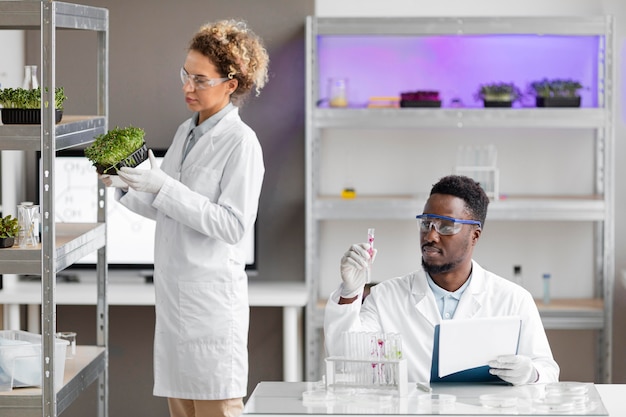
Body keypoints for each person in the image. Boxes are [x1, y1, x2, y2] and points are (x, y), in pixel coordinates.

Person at [101, 19, 269, 417]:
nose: (187, 87)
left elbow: (232, 225)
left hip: (210, 310)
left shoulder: (241, 143)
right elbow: (168, 208)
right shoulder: (185, 132)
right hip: (176, 306)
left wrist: (160, 185)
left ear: (231, 84)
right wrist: (124, 184)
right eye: (185, 75)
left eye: (200, 79)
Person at [324, 175, 560, 385]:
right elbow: (346, 362)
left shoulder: (513, 300)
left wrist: (531, 374)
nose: (431, 235)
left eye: (446, 226)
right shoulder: (386, 297)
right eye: (426, 223)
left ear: (474, 235)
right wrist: (349, 292)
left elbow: (548, 372)